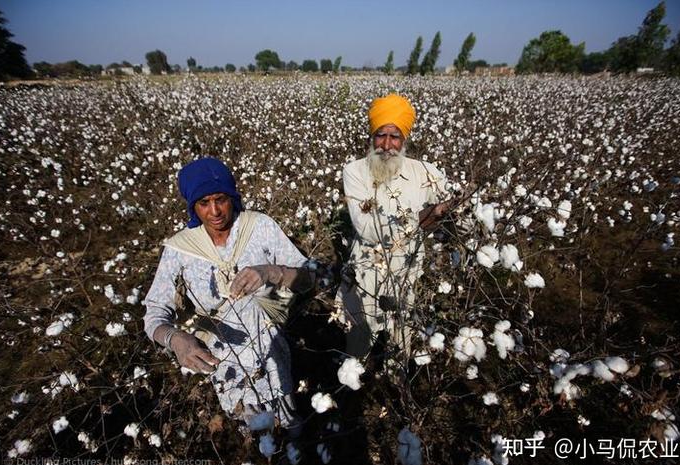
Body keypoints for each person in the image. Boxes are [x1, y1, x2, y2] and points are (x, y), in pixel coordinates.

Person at [143, 157, 314, 434]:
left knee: (289, 432)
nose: (215, 211)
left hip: (274, 359)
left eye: (221, 199)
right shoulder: (180, 249)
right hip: (225, 369)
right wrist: (176, 340)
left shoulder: (259, 227)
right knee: (252, 438)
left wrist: (271, 272)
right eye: (203, 203)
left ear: (232, 196)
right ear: (192, 207)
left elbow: (309, 278)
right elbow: (154, 314)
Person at [337, 93, 459, 359]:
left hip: (409, 272)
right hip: (366, 274)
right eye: (381, 135)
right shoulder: (354, 171)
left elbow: (452, 206)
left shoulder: (425, 173)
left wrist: (455, 209)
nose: (387, 145)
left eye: (395, 136)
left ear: (404, 140)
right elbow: (367, 227)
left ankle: (396, 386)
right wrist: (422, 217)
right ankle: (355, 390)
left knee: (402, 341)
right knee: (359, 342)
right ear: (371, 137)